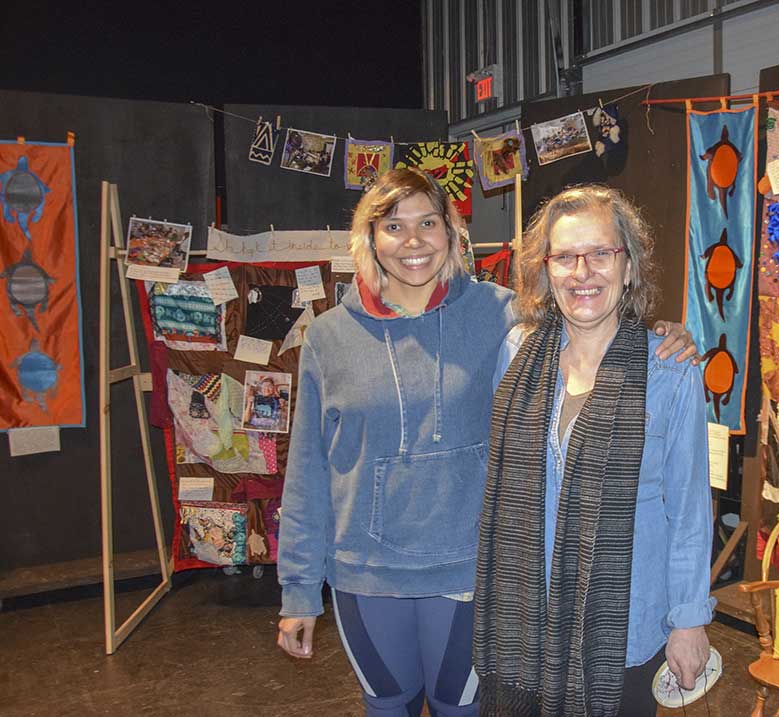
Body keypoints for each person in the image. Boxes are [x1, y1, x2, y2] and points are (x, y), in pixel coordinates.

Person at [275, 168, 697, 717]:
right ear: (369, 238)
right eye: (394, 226)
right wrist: (299, 588)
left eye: (428, 222)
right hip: (374, 574)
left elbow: (591, 313)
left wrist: (663, 333)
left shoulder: (500, 317)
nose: (413, 240)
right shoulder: (332, 337)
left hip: (472, 573)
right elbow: (307, 470)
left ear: (452, 232)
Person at [473, 185, 714, 716]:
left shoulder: (669, 371)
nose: (582, 272)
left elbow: (689, 510)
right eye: (565, 256)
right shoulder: (516, 354)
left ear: (628, 267)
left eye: (601, 252)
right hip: (525, 625)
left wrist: (689, 620)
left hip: (624, 628)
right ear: (546, 270)